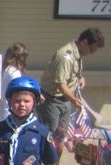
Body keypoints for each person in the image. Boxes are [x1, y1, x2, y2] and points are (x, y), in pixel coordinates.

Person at [38, 28, 105, 157]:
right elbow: (60, 84)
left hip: (64, 100)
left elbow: (74, 73)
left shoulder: (78, 54)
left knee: (61, 136)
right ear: (85, 42)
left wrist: (81, 77)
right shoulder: (65, 56)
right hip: (52, 100)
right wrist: (74, 100)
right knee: (51, 136)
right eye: (92, 49)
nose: (92, 53)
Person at [0, 43, 29, 123]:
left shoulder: (7, 69)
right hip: (11, 114)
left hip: (2, 112)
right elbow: (19, 91)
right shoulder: (15, 73)